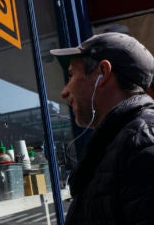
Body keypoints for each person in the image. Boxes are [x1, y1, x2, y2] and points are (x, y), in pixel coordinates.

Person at [50, 32, 154, 224]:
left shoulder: (142, 142)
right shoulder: (121, 140)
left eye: (72, 75)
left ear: (103, 73)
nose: (64, 92)